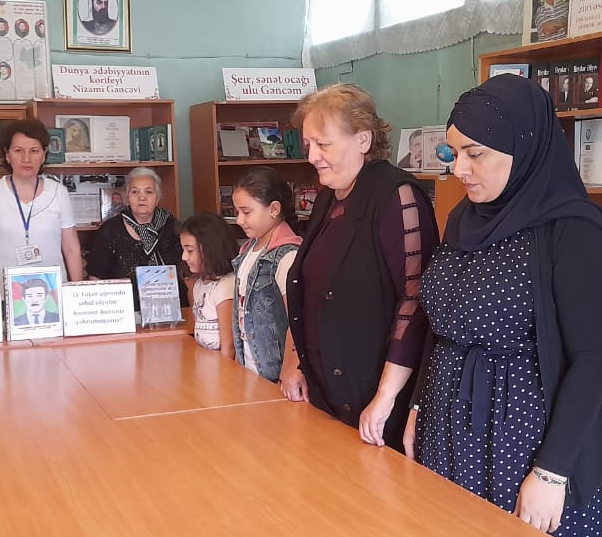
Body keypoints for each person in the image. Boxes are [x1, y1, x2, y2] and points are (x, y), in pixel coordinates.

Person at [405, 74, 602, 537]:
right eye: (454, 152)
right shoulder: (464, 218)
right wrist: (418, 407)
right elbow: (441, 325)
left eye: (475, 154)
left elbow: (593, 360)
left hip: (527, 442)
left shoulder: (574, 231)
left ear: (523, 147)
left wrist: (551, 472)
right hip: (449, 428)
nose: (460, 169)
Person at [284, 84, 439, 452]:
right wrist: (299, 363)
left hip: (375, 401)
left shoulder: (397, 196)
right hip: (327, 391)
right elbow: (311, 290)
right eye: (309, 145)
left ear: (364, 140)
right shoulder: (329, 196)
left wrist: (385, 397)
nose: (313, 157)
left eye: (324, 144)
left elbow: (415, 303)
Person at [0, 118, 83, 286]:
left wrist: (77, 290)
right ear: (7, 155)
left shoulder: (58, 192)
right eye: (18, 150)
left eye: (34, 151)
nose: (26, 158)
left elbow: (71, 248)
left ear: (43, 155)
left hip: (50, 291)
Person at [229, 167, 301, 382]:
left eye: (246, 212)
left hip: (275, 375)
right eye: (237, 212)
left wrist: (290, 371)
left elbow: (298, 322)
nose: (239, 220)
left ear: (274, 209)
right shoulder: (247, 250)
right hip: (249, 369)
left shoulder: (287, 256)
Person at [86, 167, 185, 310]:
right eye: (135, 192)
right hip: (123, 311)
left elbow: (188, 272)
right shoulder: (109, 231)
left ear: (158, 197)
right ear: (127, 198)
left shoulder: (173, 227)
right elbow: (96, 277)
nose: (142, 197)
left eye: (148, 192)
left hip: (172, 308)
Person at [180, 212, 239, 359]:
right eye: (183, 250)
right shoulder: (198, 285)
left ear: (210, 249)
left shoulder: (225, 287)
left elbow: (229, 346)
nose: (184, 257)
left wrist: (224, 372)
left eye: (190, 250)